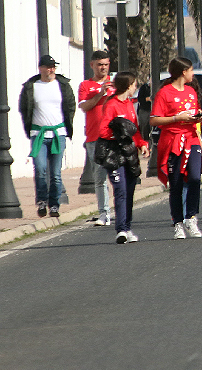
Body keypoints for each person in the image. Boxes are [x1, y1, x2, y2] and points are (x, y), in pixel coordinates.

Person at [150, 57, 202, 238]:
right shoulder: (164, 93)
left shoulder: (191, 91)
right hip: (173, 141)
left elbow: (194, 112)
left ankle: (191, 217)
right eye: (190, 70)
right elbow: (154, 119)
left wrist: (200, 117)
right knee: (176, 183)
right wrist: (176, 118)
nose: (192, 73)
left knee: (195, 178)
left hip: (192, 139)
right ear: (183, 72)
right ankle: (178, 223)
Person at [18, 55, 76, 218]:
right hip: (39, 135)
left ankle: (54, 205)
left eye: (53, 67)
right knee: (41, 169)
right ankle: (42, 201)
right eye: (48, 67)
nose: (51, 70)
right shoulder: (31, 86)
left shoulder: (62, 85)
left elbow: (70, 106)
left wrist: (66, 125)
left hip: (59, 133)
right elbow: (24, 108)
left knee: (56, 173)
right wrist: (29, 129)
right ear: (41, 68)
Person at [95, 71, 150, 243]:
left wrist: (142, 144)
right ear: (128, 85)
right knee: (120, 189)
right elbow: (103, 130)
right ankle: (121, 230)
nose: (135, 87)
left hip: (130, 153)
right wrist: (119, 133)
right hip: (114, 153)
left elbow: (135, 129)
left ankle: (127, 226)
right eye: (134, 84)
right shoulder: (111, 104)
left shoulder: (129, 104)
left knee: (130, 190)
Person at [78, 50, 115, 225]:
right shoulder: (86, 85)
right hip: (95, 137)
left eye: (106, 64)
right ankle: (104, 214)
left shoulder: (115, 84)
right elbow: (85, 106)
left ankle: (120, 210)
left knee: (117, 176)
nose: (103, 68)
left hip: (114, 138)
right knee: (99, 178)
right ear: (92, 65)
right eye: (100, 64)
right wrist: (100, 93)